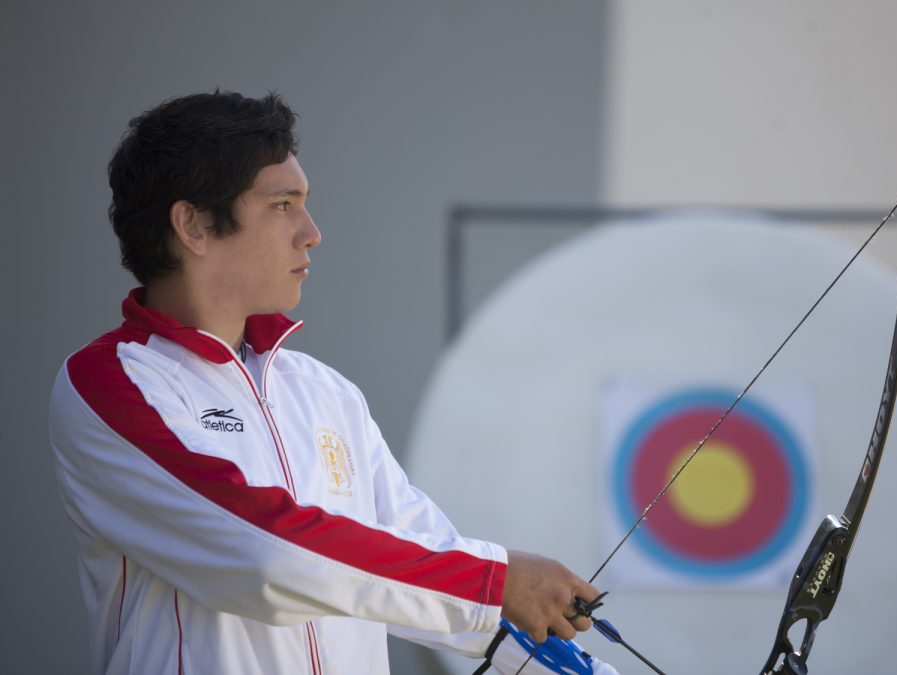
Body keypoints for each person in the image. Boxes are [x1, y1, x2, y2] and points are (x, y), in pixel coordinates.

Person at [50, 90, 618, 675]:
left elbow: (429, 571)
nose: (312, 232)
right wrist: (494, 581)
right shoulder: (110, 382)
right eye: (282, 205)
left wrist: (576, 657)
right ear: (194, 225)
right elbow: (265, 556)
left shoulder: (325, 390)